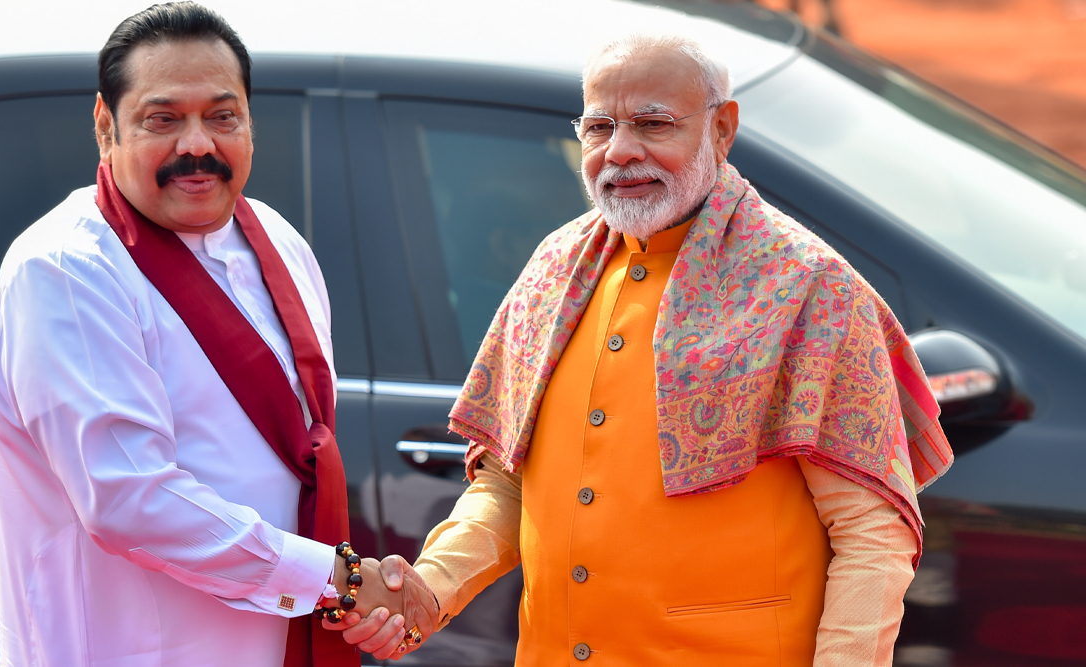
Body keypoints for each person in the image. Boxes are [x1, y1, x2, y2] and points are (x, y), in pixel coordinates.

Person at [336, 31, 954, 665]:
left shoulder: (808, 287)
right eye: (600, 127)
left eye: (653, 124)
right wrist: (430, 589)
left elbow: (871, 534)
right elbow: (507, 486)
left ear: (722, 129)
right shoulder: (555, 269)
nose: (621, 152)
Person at [0, 3, 433, 666]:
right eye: (163, 119)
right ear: (106, 126)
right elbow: (131, 498)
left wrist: (348, 591)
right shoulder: (66, 270)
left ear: (250, 121)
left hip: (283, 637)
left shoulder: (279, 242)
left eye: (222, 116)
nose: (198, 144)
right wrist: (338, 579)